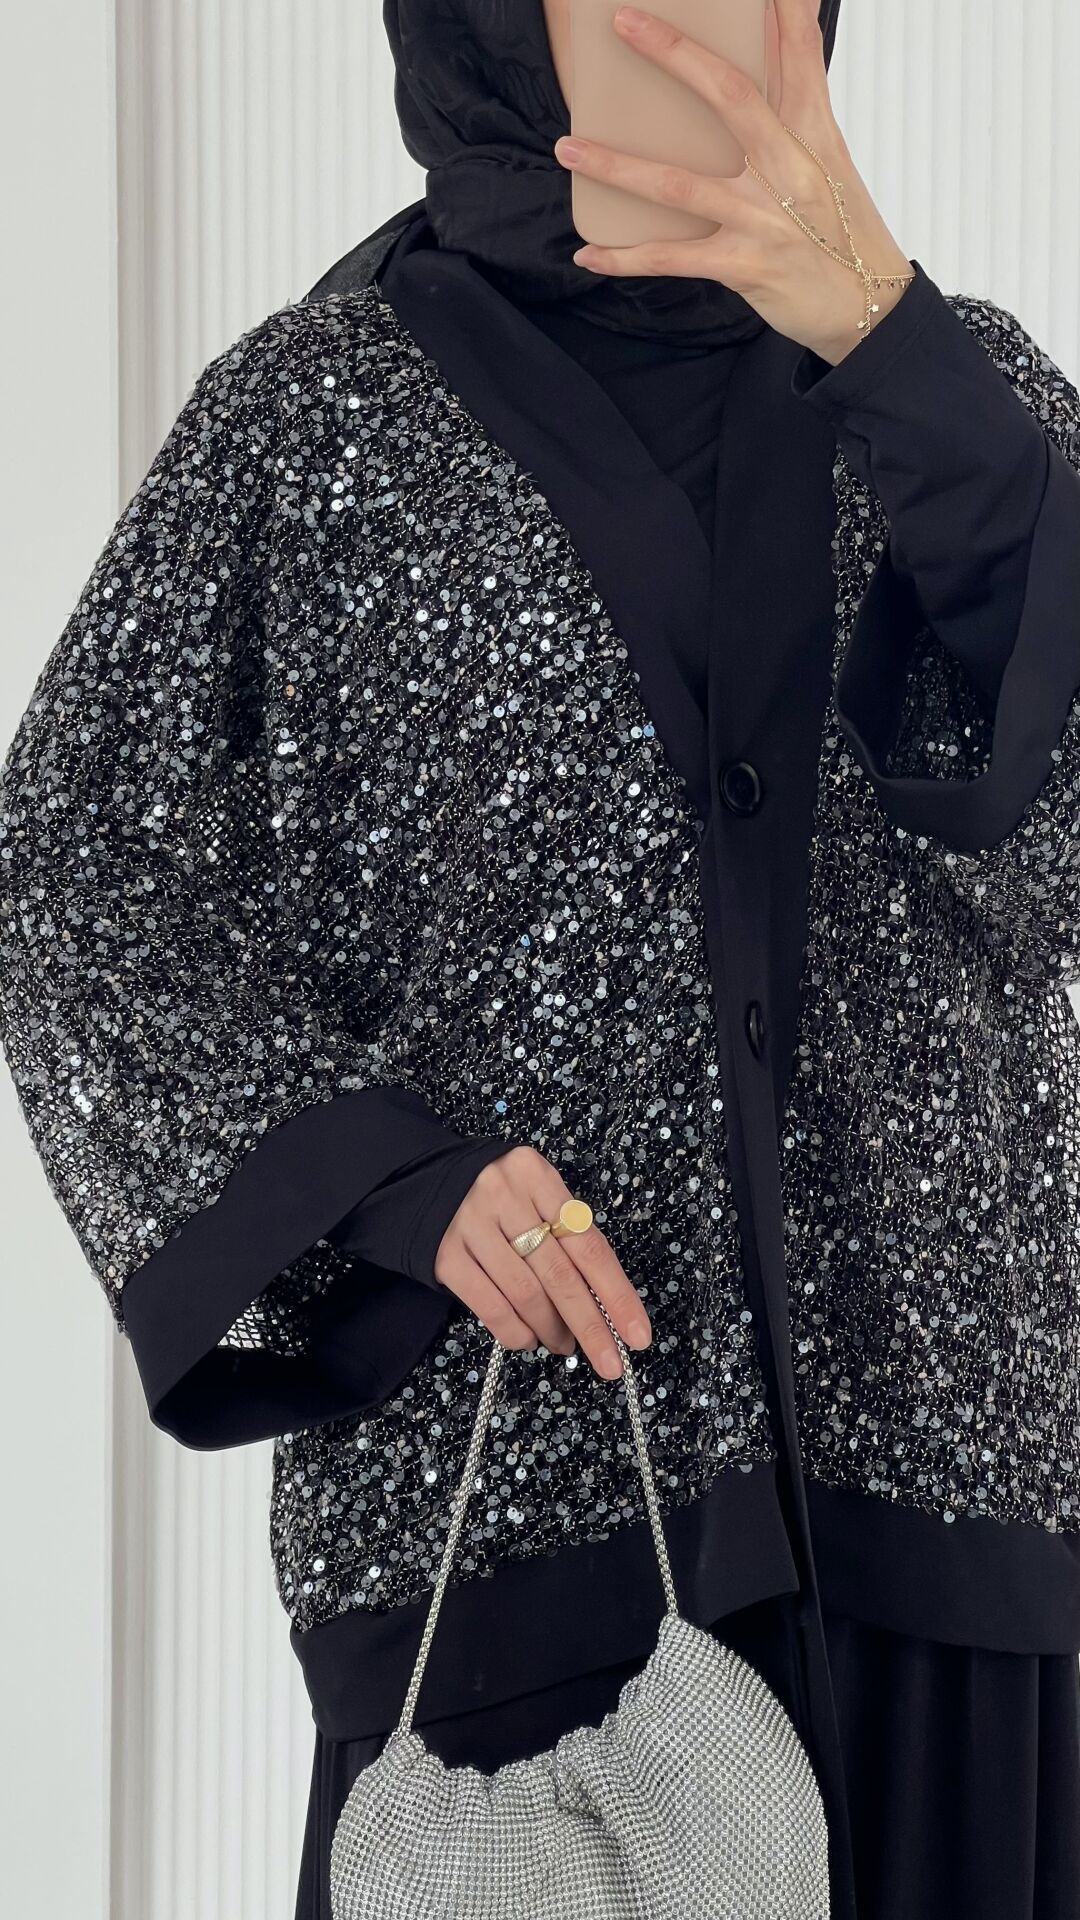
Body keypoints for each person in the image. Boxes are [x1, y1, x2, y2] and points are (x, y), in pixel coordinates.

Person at [2, 1, 1080, 1913]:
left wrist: (892, 345)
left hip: (950, 1552)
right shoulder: (309, 426)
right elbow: (78, 887)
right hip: (516, 1562)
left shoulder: (965, 396)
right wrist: (391, 1180)